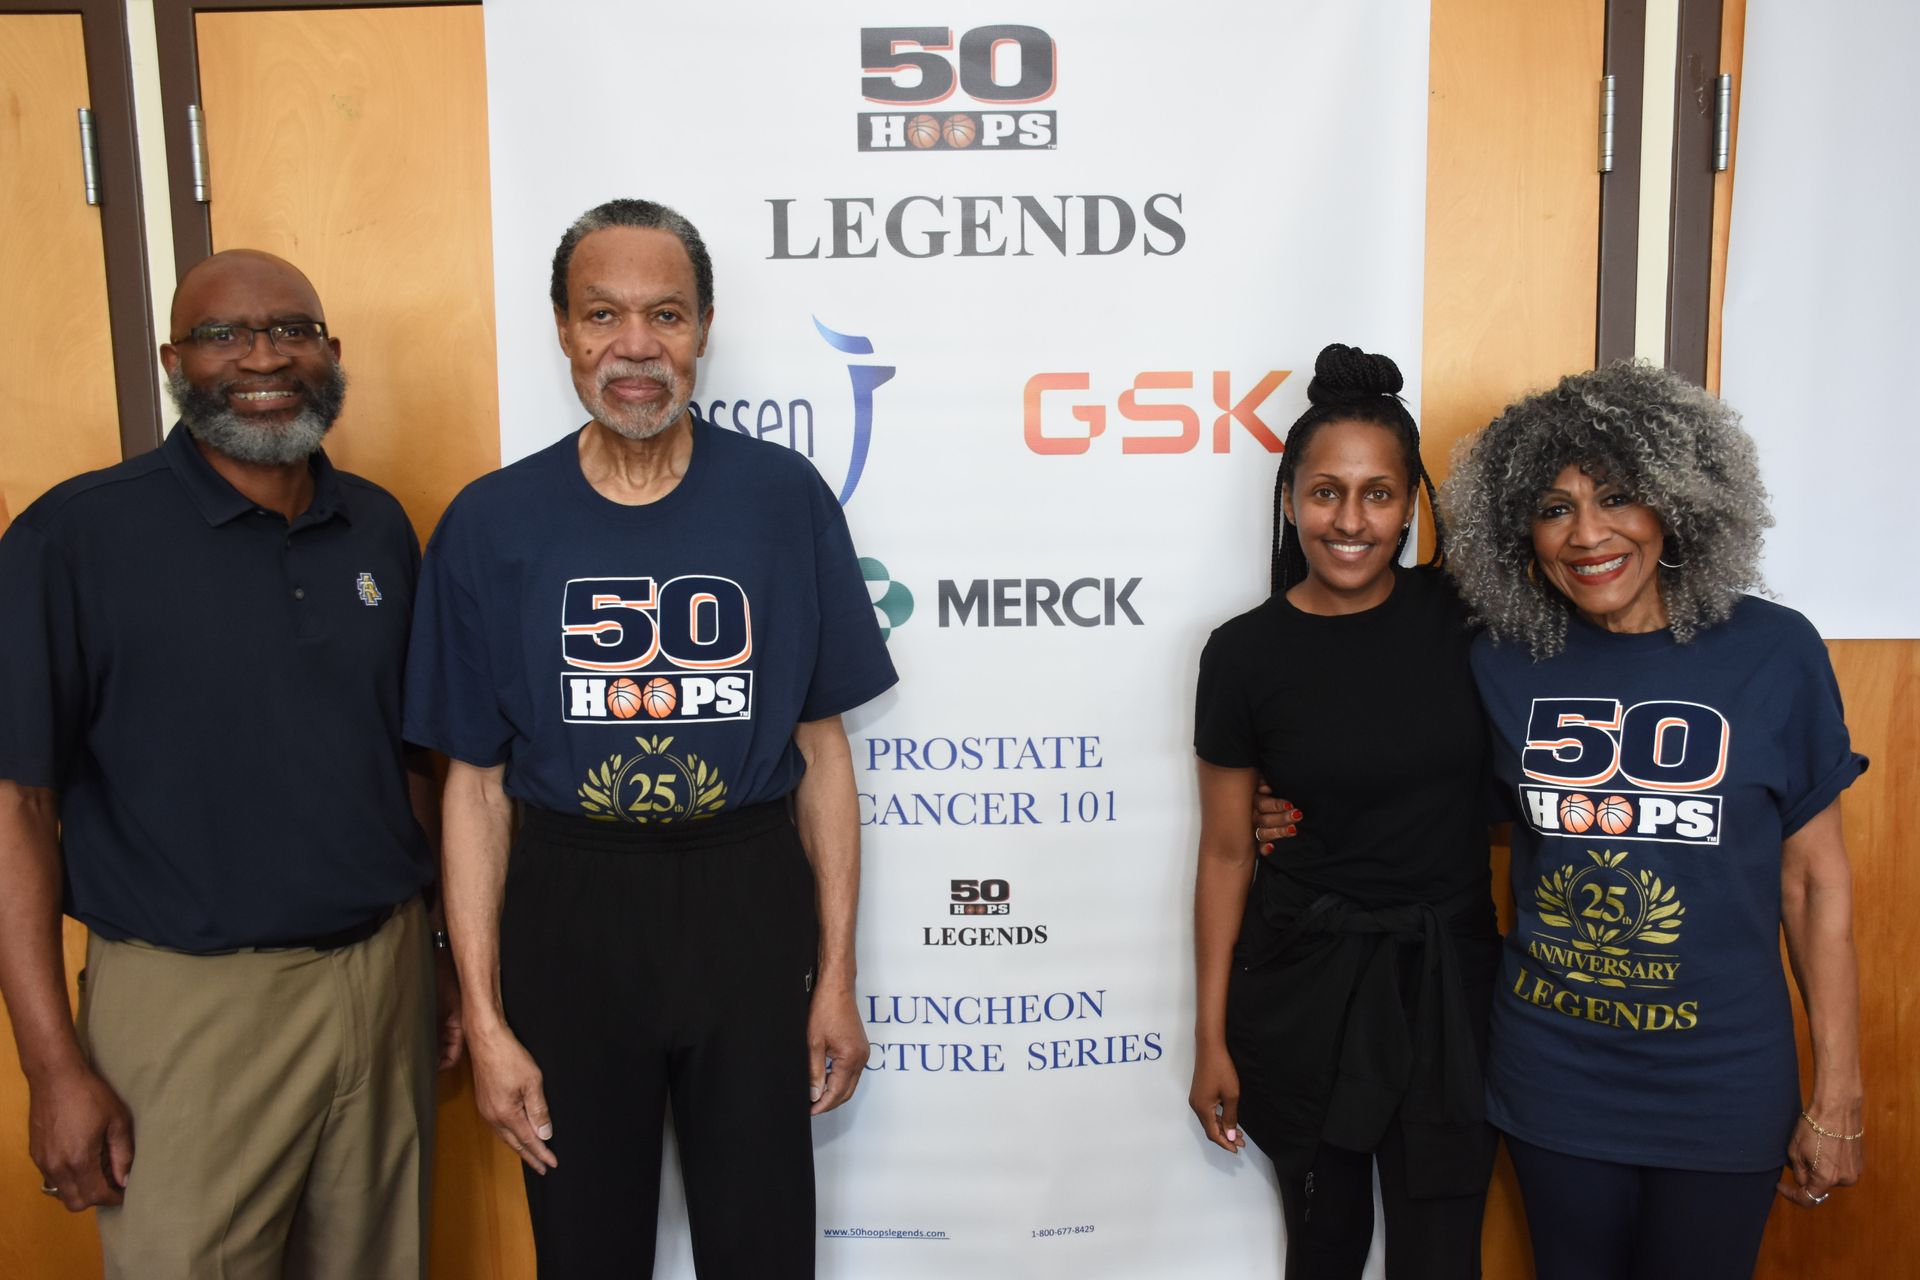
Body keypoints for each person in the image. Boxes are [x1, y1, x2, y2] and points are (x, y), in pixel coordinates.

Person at [405, 198, 896, 1278]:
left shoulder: (783, 501)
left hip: (746, 909)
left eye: (665, 315)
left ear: (706, 327)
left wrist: (836, 974)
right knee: (585, 1251)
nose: (636, 347)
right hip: (571, 916)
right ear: (563, 328)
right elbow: (474, 789)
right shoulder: (491, 524)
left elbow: (822, 749)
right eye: (604, 315)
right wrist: (485, 1019)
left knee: (764, 1248)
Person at [0, 249, 458, 1279]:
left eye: (292, 330)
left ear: (330, 353)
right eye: (224, 335)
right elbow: (17, 805)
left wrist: (434, 946)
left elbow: (411, 759)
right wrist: (51, 1063)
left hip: (379, 982)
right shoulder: (75, 537)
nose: (263, 355)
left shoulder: (377, 525)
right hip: (188, 1005)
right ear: (175, 359)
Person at [1432, 360, 1865, 1279]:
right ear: (1523, 531)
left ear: (1678, 502)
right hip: (1555, 1077)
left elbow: (1813, 882)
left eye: (1619, 497)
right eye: (1554, 508)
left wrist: (1838, 1090)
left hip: (1724, 1081)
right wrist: (1283, 807)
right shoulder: (1503, 663)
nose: (1588, 534)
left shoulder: (1773, 651)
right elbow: (1417, 793)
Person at [1189, 344, 1498, 1279]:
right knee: (1321, 1250)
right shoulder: (1241, 654)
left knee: (1440, 1257)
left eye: (1379, 494)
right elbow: (1225, 855)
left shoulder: (1471, 620)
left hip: (1447, 989)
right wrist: (1208, 1036)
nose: (1352, 521)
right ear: (1289, 500)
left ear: (1413, 504)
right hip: (1300, 991)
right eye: (1326, 492)